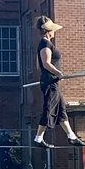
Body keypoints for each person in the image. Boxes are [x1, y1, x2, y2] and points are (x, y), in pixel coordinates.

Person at [32, 15, 80, 148]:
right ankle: (38, 138)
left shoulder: (47, 44)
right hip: (50, 82)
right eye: (52, 29)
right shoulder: (45, 43)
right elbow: (45, 64)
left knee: (61, 109)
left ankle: (71, 136)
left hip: (53, 82)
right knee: (48, 109)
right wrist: (58, 73)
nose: (54, 32)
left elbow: (40, 65)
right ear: (47, 31)